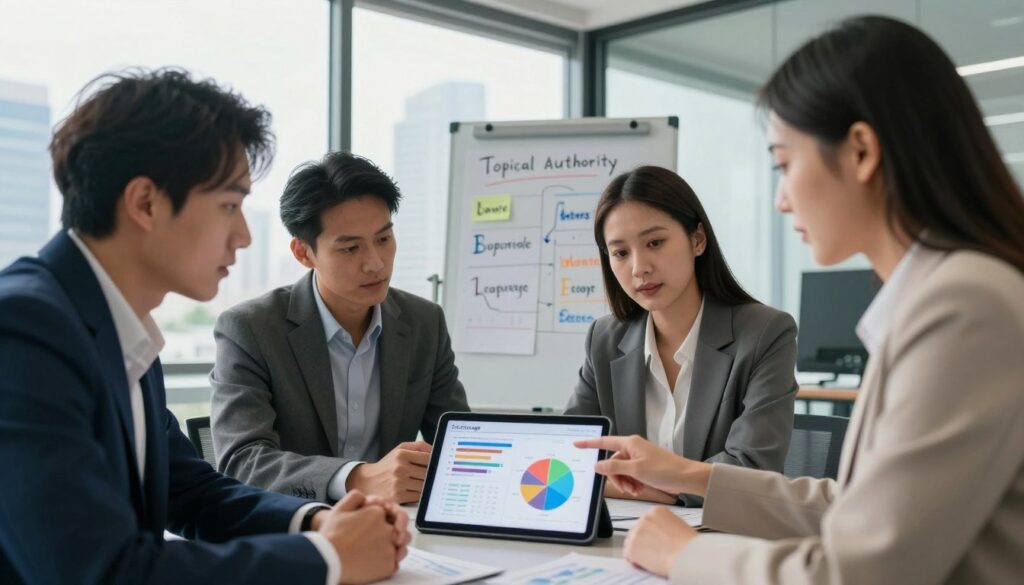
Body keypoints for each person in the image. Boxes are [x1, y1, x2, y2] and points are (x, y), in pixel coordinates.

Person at [576, 15, 1024, 584]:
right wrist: (693, 477)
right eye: (619, 252)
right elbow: (854, 505)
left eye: (785, 164)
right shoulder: (944, 296)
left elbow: (864, 571)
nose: (782, 200)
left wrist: (682, 555)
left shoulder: (965, 307)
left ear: (860, 151)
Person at [0, 69, 409, 585]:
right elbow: (98, 572)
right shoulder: (23, 330)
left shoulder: (120, 328)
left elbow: (191, 492)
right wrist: (328, 560)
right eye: (229, 206)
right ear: (145, 202)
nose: (241, 235)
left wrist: (318, 522)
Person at [210, 151, 469, 504]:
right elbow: (242, 461)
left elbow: (459, 441)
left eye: (383, 239)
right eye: (350, 249)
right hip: (295, 530)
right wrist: (356, 478)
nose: (376, 264)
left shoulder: (425, 322)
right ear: (304, 253)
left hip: (396, 527)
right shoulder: (251, 329)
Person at [564, 166, 798, 505]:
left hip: (718, 541)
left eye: (655, 243)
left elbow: (750, 471)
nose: (639, 268)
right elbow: (571, 457)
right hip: (626, 538)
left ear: (697, 240)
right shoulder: (604, 338)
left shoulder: (765, 333)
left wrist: (657, 490)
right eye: (621, 253)